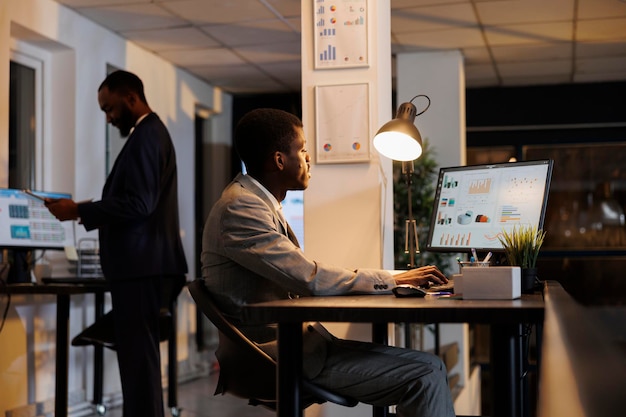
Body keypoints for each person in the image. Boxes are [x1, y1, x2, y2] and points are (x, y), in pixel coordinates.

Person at [201, 108, 456, 417]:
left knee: (430, 366)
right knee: (426, 374)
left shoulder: (254, 202)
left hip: (297, 346)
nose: (309, 158)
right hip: (273, 356)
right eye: (303, 149)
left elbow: (303, 274)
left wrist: (395, 276)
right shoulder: (241, 208)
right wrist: (394, 280)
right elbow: (309, 278)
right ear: (279, 160)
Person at [45, 70, 188, 417]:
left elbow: (140, 204)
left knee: (138, 368)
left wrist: (78, 210)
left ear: (131, 99)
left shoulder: (148, 137)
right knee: (139, 365)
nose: (108, 118)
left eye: (110, 109)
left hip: (142, 268)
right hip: (145, 267)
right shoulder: (149, 135)